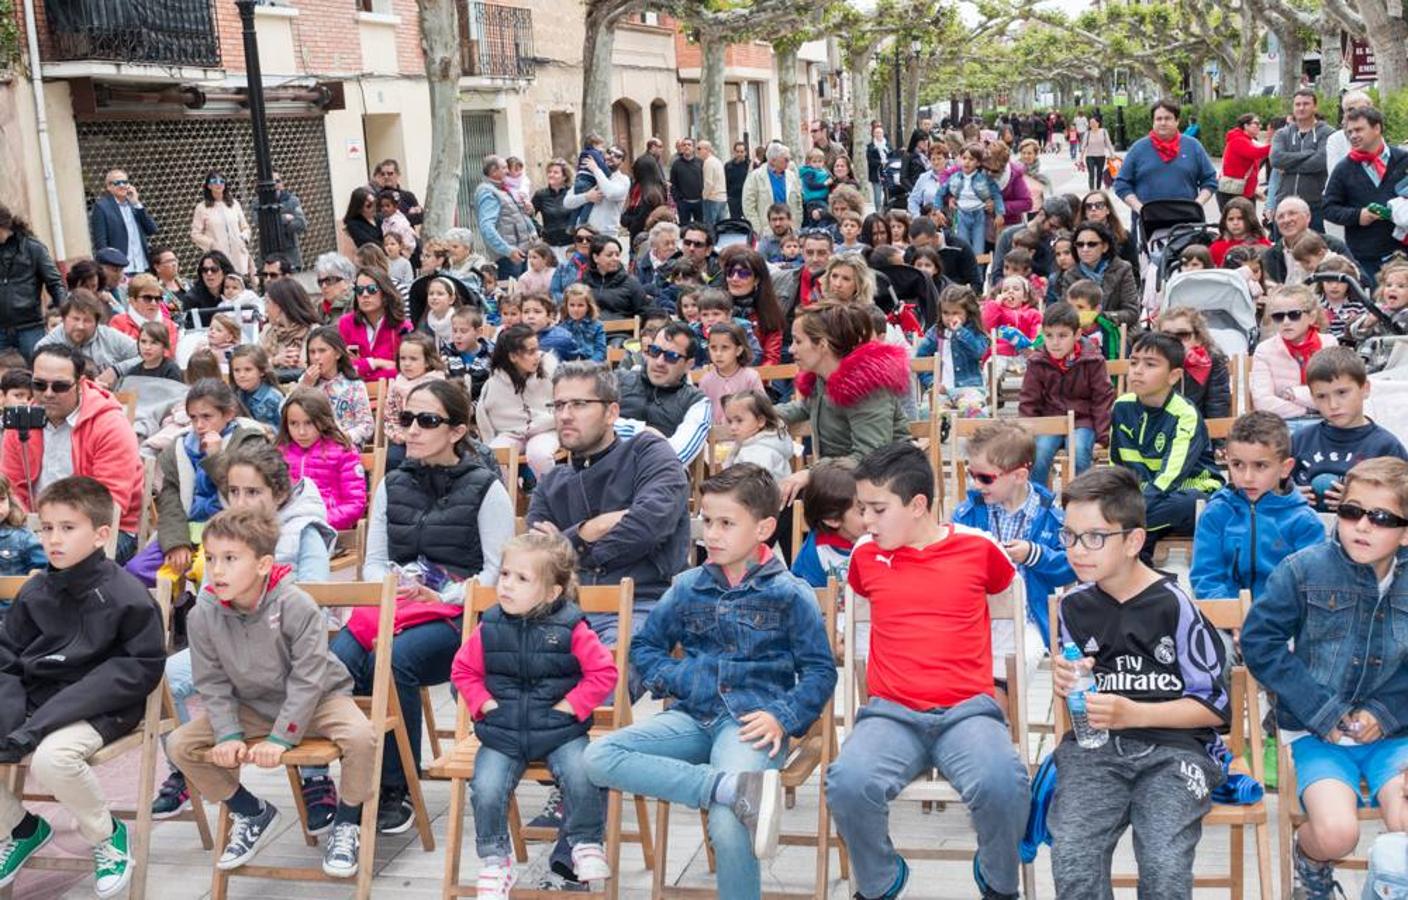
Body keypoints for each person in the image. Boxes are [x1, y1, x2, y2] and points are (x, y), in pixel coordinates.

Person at [584, 464, 837, 900]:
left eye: (726, 523)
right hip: (692, 716)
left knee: (728, 820)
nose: (711, 534)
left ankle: (734, 796)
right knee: (599, 756)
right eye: (706, 521)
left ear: (764, 528)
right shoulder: (686, 587)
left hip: (751, 724)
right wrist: (682, 677)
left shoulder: (790, 593)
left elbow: (820, 671)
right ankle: (727, 788)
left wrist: (782, 716)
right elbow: (644, 649)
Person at [826, 442, 1029, 900]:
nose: (866, 521)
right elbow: (858, 611)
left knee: (1005, 782)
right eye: (862, 509)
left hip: (967, 712)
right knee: (847, 782)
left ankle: (998, 882)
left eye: (878, 508)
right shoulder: (864, 555)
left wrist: (1000, 683)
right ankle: (881, 881)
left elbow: (1015, 613)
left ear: (918, 505)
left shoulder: (978, 548)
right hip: (891, 714)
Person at [332, 379, 513, 833]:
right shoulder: (392, 483)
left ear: (455, 431)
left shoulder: (486, 488)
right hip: (399, 606)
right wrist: (393, 583)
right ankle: (347, 782)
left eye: (426, 420)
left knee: (390, 663)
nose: (411, 430)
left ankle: (398, 787)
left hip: (463, 617)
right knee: (333, 668)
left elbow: (497, 573)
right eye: (406, 419)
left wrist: (443, 595)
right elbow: (373, 563)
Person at [1049, 465, 1231, 898]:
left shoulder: (1175, 605)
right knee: (1073, 857)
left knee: (1163, 863)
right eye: (1069, 536)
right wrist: (1069, 681)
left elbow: (1213, 707)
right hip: (1095, 751)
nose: (1077, 550)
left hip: (1175, 751)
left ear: (1133, 541)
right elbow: (1081, 697)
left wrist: (1134, 712)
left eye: (1094, 537)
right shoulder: (1072, 606)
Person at [165, 506, 373, 878]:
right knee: (180, 745)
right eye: (210, 558)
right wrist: (227, 732)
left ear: (263, 565)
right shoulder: (203, 614)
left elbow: (309, 678)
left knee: (360, 736)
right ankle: (250, 811)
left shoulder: (296, 605)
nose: (217, 570)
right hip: (253, 705)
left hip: (320, 700)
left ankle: (348, 821)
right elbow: (211, 681)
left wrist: (281, 738)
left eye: (230, 559)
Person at [1243, 455, 1408, 898]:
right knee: (1338, 834)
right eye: (1351, 511)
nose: (1362, 525)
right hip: (1318, 734)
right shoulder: (1304, 569)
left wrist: (1387, 712)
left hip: (1397, 735)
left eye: (1381, 517)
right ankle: (1309, 861)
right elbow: (1260, 644)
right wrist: (1321, 708)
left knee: (1405, 822)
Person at [0, 476, 163, 897]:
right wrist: (12, 717)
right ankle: (21, 827)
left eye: (68, 528)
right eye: (47, 528)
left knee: (51, 761)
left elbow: (138, 669)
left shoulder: (127, 594)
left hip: (103, 705)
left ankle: (106, 834)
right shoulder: (36, 590)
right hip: (40, 701)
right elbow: (8, 658)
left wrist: (35, 728)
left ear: (101, 535)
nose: (54, 539)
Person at [451, 532, 616, 897]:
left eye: (521, 579)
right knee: (487, 787)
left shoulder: (571, 627)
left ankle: (586, 842)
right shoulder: (490, 626)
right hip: (503, 730)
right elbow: (463, 671)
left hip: (560, 729)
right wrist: (485, 705)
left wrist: (570, 707)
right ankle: (496, 860)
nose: (506, 584)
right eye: (505, 574)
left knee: (582, 772)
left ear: (552, 592)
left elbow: (604, 672)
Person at [526, 361, 691, 638]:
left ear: (611, 412)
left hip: (640, 603)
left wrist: (568, 545)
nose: (565, 415)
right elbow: (537, 555)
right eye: (558, 405)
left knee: (611, 664)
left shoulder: (648, 453)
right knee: (481, 659)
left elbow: (648, 525)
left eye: (579, 404)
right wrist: (590, 530)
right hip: (563, 608)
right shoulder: (551, 482)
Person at [3, 345, 143, 561]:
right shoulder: (23, 420)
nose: (48, 394)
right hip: (34, 526)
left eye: (59, 386)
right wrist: (36, 534)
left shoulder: (110, 424)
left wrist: (56, 537)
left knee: (60, 565)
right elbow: (12, 490)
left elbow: (108, 505)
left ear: (80, 384)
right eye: (39, 385)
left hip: (105, 529)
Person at [952, 421, 1074, 663]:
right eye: (972, 474)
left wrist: (1035, 554)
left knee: (1021, 659)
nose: (976, 484)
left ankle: (1004, 700)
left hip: (1028, 620)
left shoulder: (1051, 516)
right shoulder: (966, 514)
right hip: (976, 619)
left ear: (1019, 476)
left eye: (985, 478)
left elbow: (1070, 567)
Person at [777, 301, 911, 503]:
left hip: (884, 487)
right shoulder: (823, 379)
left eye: (797, 341)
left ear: (822, 345)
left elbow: (870, 456)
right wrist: (763, 414)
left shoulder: (865, 386)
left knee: (782, 505)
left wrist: (810, 473)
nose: (791, 349)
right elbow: (805, 408)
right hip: (841, 479)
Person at [1109, 332, 1224, 562]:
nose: (1138, 370)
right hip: (1146, 498)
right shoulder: (1121, 407)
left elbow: (1170, 477)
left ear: (1174, 376)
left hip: (1188, 490)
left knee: (1187, 502)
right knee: (1102, 501)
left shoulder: (1185, 414)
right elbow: (1117, 465)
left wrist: (1129, 508)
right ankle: (1139, 561)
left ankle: (1127, 537)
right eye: (1134, 362)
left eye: (1150, 364)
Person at [1190, 410, 1324, 602]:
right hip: (1226, 619)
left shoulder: (1305, 522)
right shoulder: (1216, 513)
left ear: (1285, 468)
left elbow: (1311, 586)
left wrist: (1265, 623)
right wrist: (1233, 616)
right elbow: (1206, 578)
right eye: (1237, 465)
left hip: (1283, 625)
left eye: (1260, 466)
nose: (1247, 477)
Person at [1288, 346, 1407, 514]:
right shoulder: (1300, 440)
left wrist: (1361, 503)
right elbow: (1270, 486)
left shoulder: (1386, 446)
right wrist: (1288, 496)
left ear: (1365, 389)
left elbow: (1402, 501)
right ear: (1312, 397)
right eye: (1322, 396)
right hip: (1304, 533)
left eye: (1342, 392)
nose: (1333, 405)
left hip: (1363, 534)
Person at [1019, 302, 1114, 487]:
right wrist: (1027, 433)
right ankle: (1037, 502)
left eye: (1062, 336)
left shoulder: (1092, 361)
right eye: (1049, 335)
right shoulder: (1037, 362)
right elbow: (1029, 400)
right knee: (1039, 454)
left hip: (1082, 421)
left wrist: (1102, 437)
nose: (1055, 342)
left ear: (1077, 335)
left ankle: (1080, 500)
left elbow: (1102, 398)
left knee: (1079, 452)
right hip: (1050, 421)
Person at [1323, 106, 1408, 286]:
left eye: (1359, 129)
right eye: (1349, 132)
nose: (1353, 136)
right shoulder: (1344, 168)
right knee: (1377, 308)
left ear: (1377, 128)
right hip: (1367, 255)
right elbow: (1329, 208)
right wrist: (1358, 216)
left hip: (1403, 251)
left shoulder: (1403, 160)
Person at [1113, 99, 1217, 240]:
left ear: (1177, 121)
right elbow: (1121, 184)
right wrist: (1140, 208)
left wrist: (1197, 204)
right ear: (1153, 122)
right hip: (1148, 224)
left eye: (1168, 118)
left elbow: (1210, 180)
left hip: (1186, 222)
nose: (1163, 122)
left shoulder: (1193, 147)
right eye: (1159, 119)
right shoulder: (1138, 149)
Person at [612, 323, 711, 466]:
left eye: (671, 356)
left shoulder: (697, 402)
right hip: (603, 473)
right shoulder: (619, 379)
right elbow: (590, 423)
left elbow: (677, 456)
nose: (659, 362)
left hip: (654, 480)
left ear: (688, 365)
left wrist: (617, 430)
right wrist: (641, 431)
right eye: (655, 351)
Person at [475, 323, 559, 477]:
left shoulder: (549, 369)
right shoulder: (496, 380)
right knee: (493, 456)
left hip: (546, 428)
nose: (538, 355)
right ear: (513, 356)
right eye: (531, 352)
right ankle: (509, 499)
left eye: (537, 349)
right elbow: (484, 413)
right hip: (511, 432)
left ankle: (549, 497)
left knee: (539, 455)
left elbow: (563, 403)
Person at [1250, 284, 1338, 423]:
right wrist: (1308, 409)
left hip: (1327, 422)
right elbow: (1263, 403)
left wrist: (1294, 394)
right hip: (1280, 425)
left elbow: (1334, 396)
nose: (1286, 322)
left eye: (1294, 315)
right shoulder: (1264, 350)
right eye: (1278, 316)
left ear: (1311, 317)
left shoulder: (1329, 344)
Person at [0, 204, 65, 359]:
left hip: (29, 327)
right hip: (0, 329)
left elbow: (55, 283)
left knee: (36, 371)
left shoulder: (32, 248)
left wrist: (64, 313)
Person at [1051, 222, 1140, 329]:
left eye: (1091, 244)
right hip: (1081, 331)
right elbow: (1065, 310)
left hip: (1118, 331)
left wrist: (1099, 317)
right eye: (1080, 244)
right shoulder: (1070, 275)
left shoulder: (1123, 269)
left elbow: (1132, 312)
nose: (1085, 249)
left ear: (1105, 247)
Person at [790, 459, 862, 588]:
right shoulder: (816, 553)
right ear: (832, 519)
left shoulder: (883, 537)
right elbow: (804, 600)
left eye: (876, 507)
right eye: (862, 511)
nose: (871, 517)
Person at [299, 326, 374, 446]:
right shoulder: (305, 381)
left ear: (337, 353)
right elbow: (284, 412)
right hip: (311, 446)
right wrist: (304, 387)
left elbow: (367, 426)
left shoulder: (354, 384)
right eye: (312, 352)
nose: (316, 357)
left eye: (322, 351)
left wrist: (341, 438)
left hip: (345, 447)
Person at [1270, 90, 1333, 232]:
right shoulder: (1282, 133)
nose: (1301, 108)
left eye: (1306, 104)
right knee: (1284, 250)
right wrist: (1307, 154)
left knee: (1315, 250)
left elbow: (1320, 162)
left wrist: (1288, 167)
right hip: (1285, 204)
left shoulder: (1328, 133)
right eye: (1297, 104)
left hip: (1315, 205)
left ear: (1315, 107)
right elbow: (1276, 159)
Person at [1157, 306, 1232, 421]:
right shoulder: (1150, 363)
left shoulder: (1213, 363)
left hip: (1199, 433)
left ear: (1199, 338)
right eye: (1166, 336)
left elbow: (1217, 414)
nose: (1174, 341)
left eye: (1183, 335)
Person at [337, 267, 411, 382]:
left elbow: (408, 370)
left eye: (372, 289)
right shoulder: (345, 323)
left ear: (385, 293)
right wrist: (375, 363)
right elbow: (343, 368)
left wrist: (362, 368)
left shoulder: (403, 327)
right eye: (359, 290)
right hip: (356, 395)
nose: (365, 295)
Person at [1259, 196, 1354, 285]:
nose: (1286, 220)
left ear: (1308, 217)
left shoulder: (1331, 245)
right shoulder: (1271, 255)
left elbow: (1357, 279)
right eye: (1280, 217)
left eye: (1292, 213)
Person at [475, 155, 539, 280]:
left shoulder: (503, 189)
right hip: (508, 257)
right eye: (504, 168)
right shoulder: (488, 192)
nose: (508, 171)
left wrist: (529, 210)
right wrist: (507, 250)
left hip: (519, 253)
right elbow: (486, 226)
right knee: (512, 295)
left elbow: (516, 215)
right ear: (493, 171)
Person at [89, 169, 157, 276]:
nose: (122, 185)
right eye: (117, 183)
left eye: (125, 182)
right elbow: (101, 243)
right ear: (109, 187)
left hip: (142, 265)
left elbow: (152, 229)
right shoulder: (102, 207)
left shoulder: (134, 205)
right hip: (121, 269)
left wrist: (136, 203)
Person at [190, 171, 253, 279]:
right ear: (209, 185)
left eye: (221, 181)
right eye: (214, 181)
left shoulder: (234, 204)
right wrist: (212, 244)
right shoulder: (202, 208)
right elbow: (195, 234)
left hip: (238, 255)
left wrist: (244, 238)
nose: (218, 184)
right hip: (218, 257)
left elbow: (245, 227)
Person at [563, 146, 630, 237]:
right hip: (584, 234)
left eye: (617, 156)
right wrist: (586, 197)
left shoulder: (622, 180)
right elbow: (567, 203)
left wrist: (596, 169)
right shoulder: (588, 177)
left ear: (622, 163)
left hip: (606, 234)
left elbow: (610, 193)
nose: (611, 156)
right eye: (609, 152)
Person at [580, 235, 650, 322]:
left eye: (617, 255)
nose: (615, 259)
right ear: (595, 257)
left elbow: (644, 311)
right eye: (609, 255)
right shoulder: (582, 284)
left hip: (619, 333)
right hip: (588, 332)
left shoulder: (631, 283)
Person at [743, 143, 803, 236]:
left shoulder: (792, 176)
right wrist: (758, 229)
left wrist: (796, 226)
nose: (789, 162)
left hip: (789, 231)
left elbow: (798, 204)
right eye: (786, 159)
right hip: (767, 231)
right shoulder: (755, 177)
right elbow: (748, 206)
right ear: (773, 160)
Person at [1217, 113, 1271, 211]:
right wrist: (1275, 145)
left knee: (1247, 223)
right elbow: (1255, 153)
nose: (1260, 126)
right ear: (1246, 126)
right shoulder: (1238, 140)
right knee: (1240, 223)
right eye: (1256, 123)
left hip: (1241, 190)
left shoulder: (1247, 140)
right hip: (1234, 192)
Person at [0, 472, 43, 581]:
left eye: (2, 499)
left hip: (13, 596)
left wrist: (37, 573)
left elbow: (44, 568)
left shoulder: (22, 537)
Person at [1323, 89, 1373, 183]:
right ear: (1344, 114)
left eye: (1361, 109)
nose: (1356, 114)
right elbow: (1336, 174)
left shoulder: (1376, 137)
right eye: (1351, 110)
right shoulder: (1335, 139)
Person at [229, 346, 284, 430]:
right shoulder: (234, 394)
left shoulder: (274, 398)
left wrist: (267, 429)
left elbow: (284, 430)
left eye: (248, 369)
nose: (241, 375)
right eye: (237, 370)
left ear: (261, 371)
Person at [1209, 197, 1271, 267]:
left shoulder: (1263, 244)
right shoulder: (1216, 248)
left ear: (1250, 219)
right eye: (1231, 219)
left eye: (1240, 218)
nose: (1235, 223)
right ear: (1224, 221)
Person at [532, 159, 574, 262]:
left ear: (564, 176)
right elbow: (528, 216)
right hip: (550, 246)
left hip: (570, 246)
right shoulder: (541, 195)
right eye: (549, 172)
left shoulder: (572, 193)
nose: (551, 175)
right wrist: (540, 231)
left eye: (555, 172)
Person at [269, 172, 309, 270]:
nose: (276, 185)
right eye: (272, 182)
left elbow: (301, 224)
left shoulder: (292, 200)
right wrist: (284, 218)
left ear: (282, 183)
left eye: (277, 181)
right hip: (270, 255)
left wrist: (280, 226)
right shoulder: (258, 202)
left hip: (290, 254)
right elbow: (261, 223)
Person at [371, 158, 424, 228]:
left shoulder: (408, 195)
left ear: (398, 174)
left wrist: (396, 217)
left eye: (390, 173)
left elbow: (421, 217)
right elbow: (383, 220)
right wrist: (409, 215)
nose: (386, 176)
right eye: (383, 174)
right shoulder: (376, 197)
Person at [1079, 117, 1116, 193]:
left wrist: (1112, 154)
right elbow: (1083, 146)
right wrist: (1081, 158)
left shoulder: (1103, 132)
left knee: (1099, 174)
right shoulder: (1088, 133)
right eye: (1090, 123)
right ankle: (1092, 191)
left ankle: (1098, 189)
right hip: (1090, 156)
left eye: (1093, 122)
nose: (1091, 124)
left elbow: (1109, 144)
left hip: (1101, 156)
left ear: (1098, 123)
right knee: (1091, 174)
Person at [341, 186, 382, 254]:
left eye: (375, 202)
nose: (373, 207)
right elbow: (369, 243)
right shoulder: (354, 224)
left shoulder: (379, 218)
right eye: (368, 205)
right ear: (359, 208)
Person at [698, 140, 729, 226]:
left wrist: (704, 196)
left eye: (699, 148)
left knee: (710, 226)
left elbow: (709, 183)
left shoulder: (708, 162)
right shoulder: (717, 161)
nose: (698, 151)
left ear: (707, 149)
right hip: (722, 198)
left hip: (712, 199)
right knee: (721, 226)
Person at [866, 123, 893, 211]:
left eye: (880, 133)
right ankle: (878, 211)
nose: (878, 135)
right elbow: (870, 160)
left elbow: (892, 156)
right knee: (877, 196)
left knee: (887, 194)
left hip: (887, 173)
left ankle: (885, 210)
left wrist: (887, 162)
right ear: (874, 134)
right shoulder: (870, 146)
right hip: (876, 173)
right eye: (876, 133)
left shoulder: (888, 145)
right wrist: (881, 163)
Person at [725, 141, 751, 220]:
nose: (739, 154)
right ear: (734, 152)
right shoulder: (728, 166)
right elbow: (726, 182)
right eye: (737, 152)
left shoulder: (749, 165)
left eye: (742, 152)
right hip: (733, 199)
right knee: (735, 221)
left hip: (747, 198)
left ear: (745, 152)